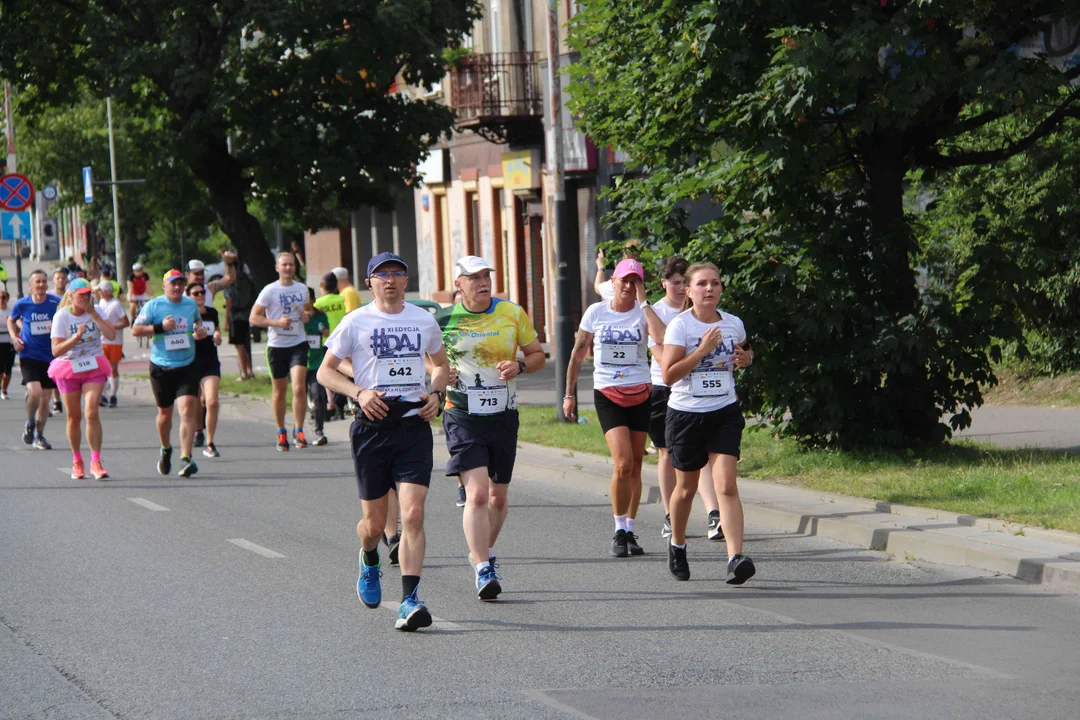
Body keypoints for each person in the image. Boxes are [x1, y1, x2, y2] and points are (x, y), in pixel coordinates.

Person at [316, 252, 449, 631]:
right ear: (370, 283)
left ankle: (410, 599)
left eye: (397, 274)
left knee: (413, 514)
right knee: (374, 525)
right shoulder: (355, 322)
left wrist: (436, 396)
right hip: (371, 428)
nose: (390, 280)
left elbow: (438, 365)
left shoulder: (423, 320)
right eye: (381, 274)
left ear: (407, 281)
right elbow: (326, 372)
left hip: (412, 426)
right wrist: (359, 393)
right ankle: (369, 558)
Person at [438, 256, 544, 600]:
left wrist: (519, 365)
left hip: (503, 414)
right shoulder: (442, 318)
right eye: (474, 277)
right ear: (459, 284)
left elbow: (538, 355)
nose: (483, 282)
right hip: (462, 414)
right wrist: (438, 372)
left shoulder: (512, 312)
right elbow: (426, 355)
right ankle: (484, 568)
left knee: (498, 498)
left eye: (486, 276)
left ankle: (479, 551)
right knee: (478, 494)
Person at [661, 262, 756, 585]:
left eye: (715, 283)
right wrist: (702, 350)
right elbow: (669, 375)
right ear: (689, 291)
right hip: (686, 415)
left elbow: (745, 350)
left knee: (726, 485)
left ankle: (735, 557)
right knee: (686, 490)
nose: (710, 289)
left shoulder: (733, 324)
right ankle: (678, 544)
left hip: (724, 412)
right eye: (702, 284)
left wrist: (747, 359)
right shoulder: (680, 327)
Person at [564, 258, 665, 557]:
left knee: (636, 462)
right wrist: (569, 395)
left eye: (635, 281)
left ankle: (631, 529)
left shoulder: (645, 313)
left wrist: (646, 304)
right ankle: (619, 529)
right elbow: (578, 353)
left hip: (641, 393)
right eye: (623, 279)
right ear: (613, 281)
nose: (628, 286)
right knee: (622, 463)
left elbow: (661, 339)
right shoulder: (597, 312)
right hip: (608, 393)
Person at [132, 269, 209, 477]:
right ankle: (165, 449)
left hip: (186, 365)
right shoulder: (154, 305)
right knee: (165, 416)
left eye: (180, 283)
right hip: (161, 367)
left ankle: (186, 458)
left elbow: (197, 325)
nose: (177, 287)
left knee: (186, 411)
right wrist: (160, 327)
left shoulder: (190, 304)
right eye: (173, 284)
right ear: (164, 285)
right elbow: (136, 330)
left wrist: (199, 332)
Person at [48, 278, 116, 480]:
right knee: (74, 417)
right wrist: (76, 338)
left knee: (92, 412)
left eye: (89, 294)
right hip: (68, 367)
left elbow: (111, 335)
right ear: (71, 296)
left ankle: (96, 461)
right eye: (82, 295)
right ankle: (77, 461)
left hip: (93, 365)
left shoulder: (96, 311)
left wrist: (94, 314)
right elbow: (55, 350)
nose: (86, 298)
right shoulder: (61, 316)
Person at [250, 251, 311, 450]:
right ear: (277, 268)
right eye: (284, 264)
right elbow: (254, 318)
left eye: (291, 264)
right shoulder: (269, 291)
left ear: (295, 267)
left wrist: (306, 315)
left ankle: (299, 430)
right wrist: (276, 322)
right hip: (277, 346)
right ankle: (281, 431)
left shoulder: (302, 289)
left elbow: (308, 310)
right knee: (280, 390)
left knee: (299, 386)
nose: (288, 268)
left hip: (298, 342)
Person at [8, 269, 60, 449]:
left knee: (46, 399)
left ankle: (39, 435)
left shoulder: (55, 302)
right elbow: (10, 319)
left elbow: (65, 318)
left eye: (44, 281)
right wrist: (15, 337)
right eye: (37, 282)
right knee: (35, 392)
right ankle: (30, 421)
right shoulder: (23, 304)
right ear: (30, 285)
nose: (41, 285)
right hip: (28, 354)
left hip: (50, 356)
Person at [436, 288, 468, 508]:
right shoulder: (443, 326)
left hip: (482, 399)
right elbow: (428, 357)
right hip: (453, 400)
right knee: (458, 448)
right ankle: (462, 486)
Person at [187, 282, 223, 458]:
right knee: (195, 401)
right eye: (196, 293)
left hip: (210, 361)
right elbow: (180, 337)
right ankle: (198, 430)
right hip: (191, 361)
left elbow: (216, 332)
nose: (200, 295)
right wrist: (193, 336)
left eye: (202, 292)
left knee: (212, 401)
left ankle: (210, 442)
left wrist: (217, 336)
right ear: (189, 296)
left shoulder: (212, 313)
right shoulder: (185, 315)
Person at [222, 252, 256, 381]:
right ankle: (250, 370)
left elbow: (229, 300)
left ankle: (244, 373)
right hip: (247, 313)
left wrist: (226, 320)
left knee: (239, 345)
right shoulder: (246, 278)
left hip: (235, 315)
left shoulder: (230, 280)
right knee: (245, 344)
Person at [95, 280, 129, 408]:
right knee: (101, 368)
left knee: (112, 368)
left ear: (105, 291)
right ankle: (102, 395)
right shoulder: (101, 302)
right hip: (101, 340)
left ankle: (113, 395)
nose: (98, 292)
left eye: (100, 290)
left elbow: (125, 322)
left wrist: (110, 327)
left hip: (114, 341)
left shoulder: (116, 304)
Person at [303, 287, 330, 446]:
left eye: (308, 299)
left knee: (319, 395)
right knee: (299, 396)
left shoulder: (320, 315)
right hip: (300, 363)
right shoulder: (297, 316)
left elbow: (326, 333)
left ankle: (319, 430)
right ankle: (297, 430)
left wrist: (322, 328)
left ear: (313, 300)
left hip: (316, 362)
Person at [49, 269, 69, 415]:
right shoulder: (47, 296)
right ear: (53, 281)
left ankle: (65, 397)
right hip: (51, 337)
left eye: (63, 278)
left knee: (64, 369)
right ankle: (55, 400)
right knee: (54, 369)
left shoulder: (70, 296)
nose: (61, 280)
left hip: (69, 336)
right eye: (58, 278)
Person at [127, 261, 153, 326]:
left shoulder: (145, 276)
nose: (138, 272)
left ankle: (147, 321)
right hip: (133, 294)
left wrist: (152, 296)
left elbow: (148, 286)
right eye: (136, 271)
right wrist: (130, 298)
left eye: (140, 271)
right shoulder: (131, 277)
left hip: (142, 294)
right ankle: (133, 319)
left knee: (147, 307)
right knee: (133, 306)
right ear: (134, 271)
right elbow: (130, 288)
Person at [0, 289, 14, 399]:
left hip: (9, 343)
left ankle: (4, 390)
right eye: (0, 297)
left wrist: (11, 323)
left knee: (7, 370)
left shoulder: (11, 312)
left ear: (7, 299)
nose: (1, 300)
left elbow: (18, 329)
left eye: (3, 297)